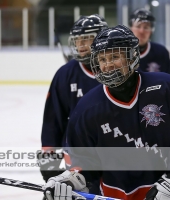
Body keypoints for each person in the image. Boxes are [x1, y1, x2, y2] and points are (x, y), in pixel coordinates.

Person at [43, 25, 170, 200]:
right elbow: (84, 163)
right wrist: (69, 180)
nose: (108, 64)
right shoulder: (85, 109)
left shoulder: (167, 88)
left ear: (132, 56)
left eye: (115, 56)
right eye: (103, 59)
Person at [38, 14, 108, 183]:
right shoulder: (65, 74)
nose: (81, 45)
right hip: (77, 157)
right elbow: (53, 119)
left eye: (87, 39)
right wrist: (49, 157)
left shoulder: (116, 71)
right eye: (77, 39)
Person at [129, 8, 170, 75]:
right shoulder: (120, 54)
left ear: (151, 31)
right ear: (130, 29)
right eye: (138, 26)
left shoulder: (161, 52)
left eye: (146, 27)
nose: (142, 31)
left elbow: (169, 82)